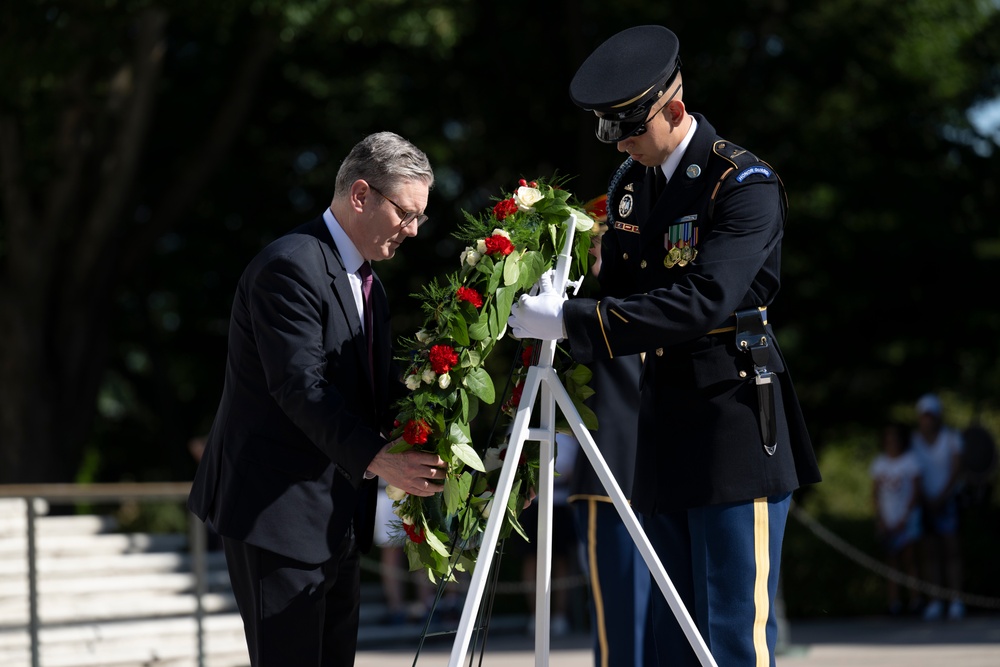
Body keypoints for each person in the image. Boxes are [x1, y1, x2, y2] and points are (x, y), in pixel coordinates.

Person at [508, 25, 822, 667]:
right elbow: (619, 296)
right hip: (663, 426)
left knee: (732, 636)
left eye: (629, 129)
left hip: (732, 418)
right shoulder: (630, 184)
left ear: (674, 110)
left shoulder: (743, 183)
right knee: (669, 643)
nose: (620, 143)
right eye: (612, 132)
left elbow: (705, 298)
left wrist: (571, 317)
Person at [187, 131, 448, 667]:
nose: (414, 230)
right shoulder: (290, 266)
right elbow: (300, 386)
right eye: (406, 212)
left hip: (335, 516)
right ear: (360, 195)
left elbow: (371, 394)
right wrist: (380, 459)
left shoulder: (367, 281)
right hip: (276, 515)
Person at [566, 208, 655, 667]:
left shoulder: (654, 304)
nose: (594, 256)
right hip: (611, 478)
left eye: (601, 246)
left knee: (659, 624)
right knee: (622, 627)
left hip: (657, 481)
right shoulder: (590, 312)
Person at [513, 432, 580, 638]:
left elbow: (575, 470)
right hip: (531, 505)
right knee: (531, 560)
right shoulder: (524, 424)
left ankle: (559, 616)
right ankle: (536, 616)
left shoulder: (570, 434)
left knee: (561, 560)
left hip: (560, 504)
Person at [910, 393, 966, 621]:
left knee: (951, 551)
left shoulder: (952, 438)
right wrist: (926, 498)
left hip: (949, 502)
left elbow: (956, 470)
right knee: (929, 554)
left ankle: (956, 599)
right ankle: (935, 600)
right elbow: (913, 473)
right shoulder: (914, 441)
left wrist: (941, 496)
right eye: (924, 416)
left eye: (931, 416)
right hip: (925, 503)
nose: (927, 420)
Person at [870, 421, 923, 616]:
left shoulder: (910, 461)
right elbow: (874, 494)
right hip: (888, 520)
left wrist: (904, 518)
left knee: (910, 561)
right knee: (891, 563)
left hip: (907, 521)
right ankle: (894, 603)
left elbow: (916, 492)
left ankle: (916, 601)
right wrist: (881, 519)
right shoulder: (879, 463)